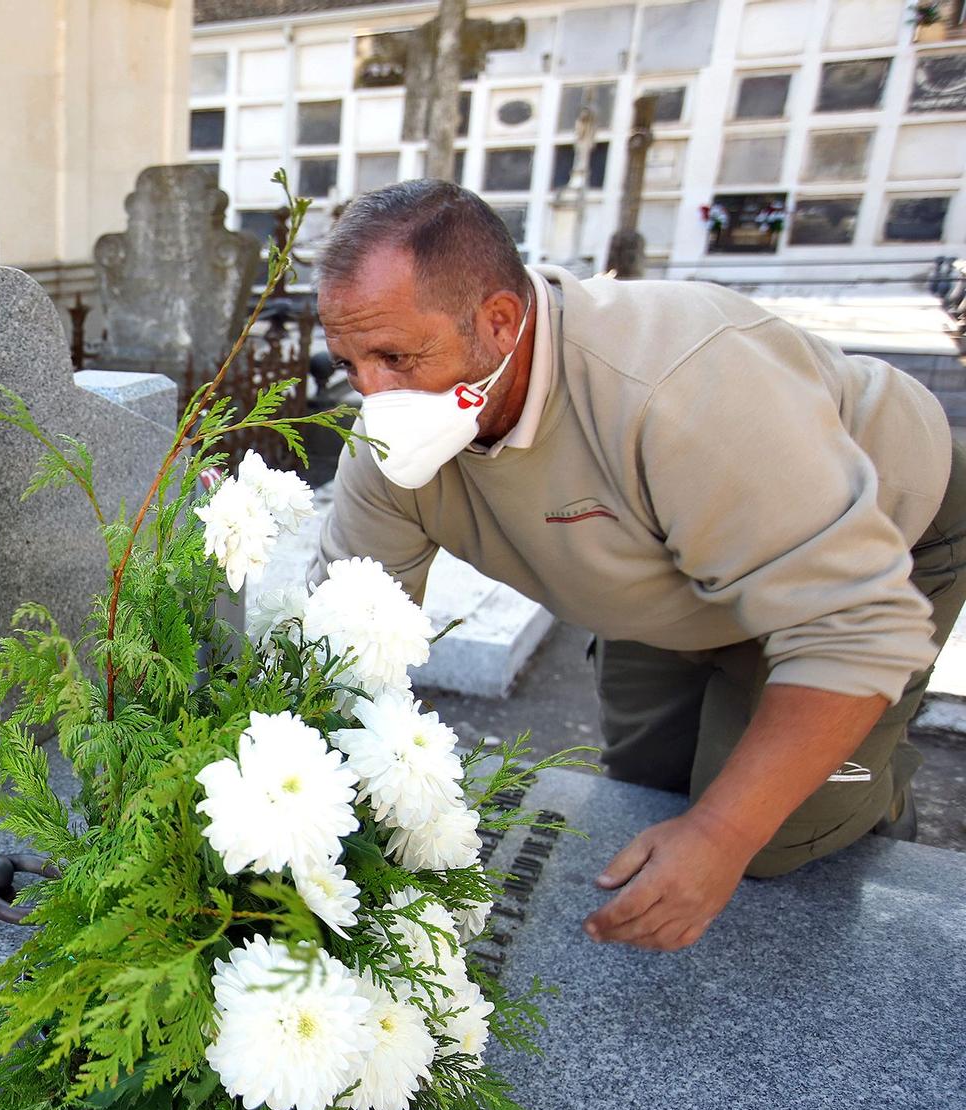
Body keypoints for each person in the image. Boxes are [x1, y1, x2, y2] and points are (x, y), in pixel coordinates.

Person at [310, 179, 964, 952]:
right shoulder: (390, 448)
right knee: (649, 790)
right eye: (351, 362)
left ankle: (874, 790)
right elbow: (347, 639)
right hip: (670, 572)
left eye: (397, 356)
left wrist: (723, 832)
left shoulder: (674, 392)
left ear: (498, 321)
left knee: (772, 835)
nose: (373, 395)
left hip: (870, 538)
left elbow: (850, 627)